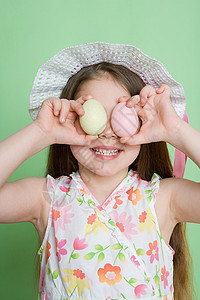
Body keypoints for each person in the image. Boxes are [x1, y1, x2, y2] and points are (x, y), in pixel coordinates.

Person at [0, 42, 199, 300]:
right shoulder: (45, 199)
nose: (106, 133)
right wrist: (41, 132)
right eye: (93, 119)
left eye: (122, 117)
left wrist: (175, 131)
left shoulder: (164, 199)